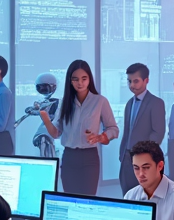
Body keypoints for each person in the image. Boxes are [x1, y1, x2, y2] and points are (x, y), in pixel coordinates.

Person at [39, 60, 118, 196]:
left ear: (89, 79)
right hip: (69, 158)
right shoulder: (65, 102)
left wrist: (100, 137)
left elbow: (113, 129)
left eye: (84, 79)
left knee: (87, 200)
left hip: (90, 158)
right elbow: (56, 133)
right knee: (70, 199)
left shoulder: (100, 101)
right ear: (70, 81)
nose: (80, 83)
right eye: (75, 79)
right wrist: (46, 119)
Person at [118, 63, 165, 195]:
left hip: (144, 161)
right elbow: (126, 132)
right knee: (127, 196)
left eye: (136, 81)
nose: (132, 85)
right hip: (127, 160)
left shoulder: (156, 103)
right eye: (129, 81)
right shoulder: (129, 103)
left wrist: (145, 155)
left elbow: (158, 132)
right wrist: (122, 156)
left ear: (146, 80)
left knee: (144, 197)